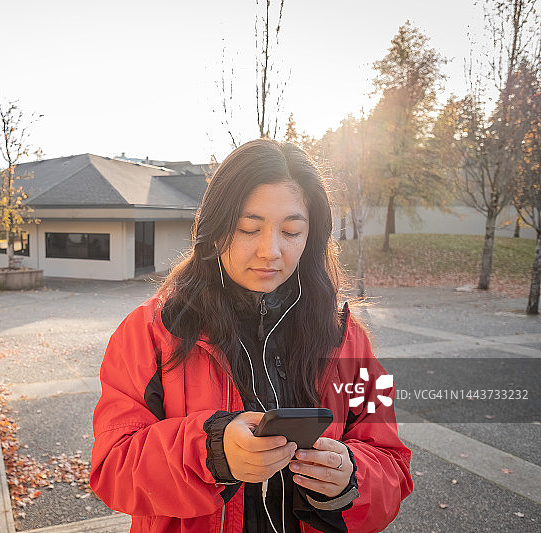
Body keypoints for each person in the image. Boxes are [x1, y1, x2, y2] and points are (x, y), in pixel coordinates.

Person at [90, 139, 412, 533]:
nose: (270, 251)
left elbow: (392, 463)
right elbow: (112, 467)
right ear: (215, 227)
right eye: (249, 228)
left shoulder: (346, 336)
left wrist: (350, 478)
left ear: (312, 238)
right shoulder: (151, 331)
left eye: (292, 231)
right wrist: (211, 452)